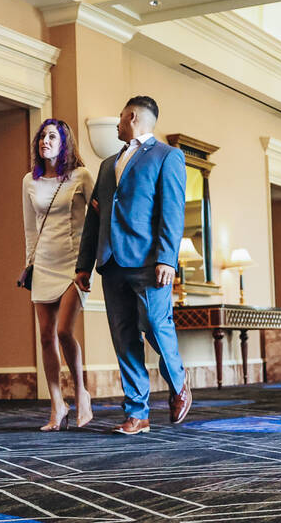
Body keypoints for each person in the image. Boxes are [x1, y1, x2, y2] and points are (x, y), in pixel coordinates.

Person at [76, 95, 190, 435]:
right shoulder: (107, 164)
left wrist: (168, 258)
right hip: (111, 262)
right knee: (124, 336)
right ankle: (137, 413)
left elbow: (172, 210)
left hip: (149, 262)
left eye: (121, 117)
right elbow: (94, 217)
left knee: (155, 324)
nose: (117, 123)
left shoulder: (167, 156)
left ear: (132, 115)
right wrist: (85, 263)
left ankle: (179, 380)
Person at [20, 119, 95, 431]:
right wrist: (28, 264)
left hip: (73, 264)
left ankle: (81, 393)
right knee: (45, 336)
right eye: (42, 137)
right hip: (44, 264)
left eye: (52, 136)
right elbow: (29, 227)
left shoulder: (81, 176)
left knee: (64, 331)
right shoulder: (30, 181)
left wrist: (89, 263)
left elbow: (98, 217)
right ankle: (57, 404)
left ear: (65, 143)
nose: (45, 141)